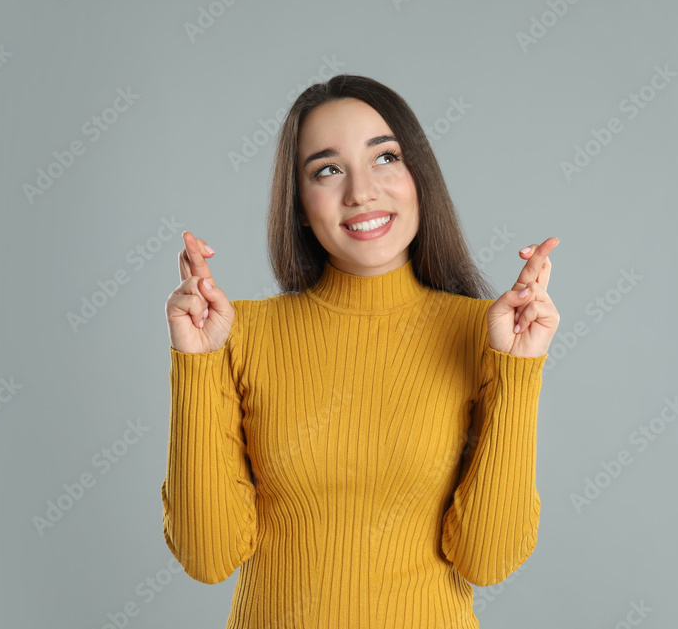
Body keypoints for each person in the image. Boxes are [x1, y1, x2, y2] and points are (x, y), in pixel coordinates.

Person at [162, 74, 560, 628]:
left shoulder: (483, 333)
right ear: (300, 205)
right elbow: (208, 557)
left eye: (386, 158)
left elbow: (487, 559)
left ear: (418, 177)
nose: (361, 192)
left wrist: (517, 371)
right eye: (327, 170)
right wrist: (197, 362)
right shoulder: (238, 335)